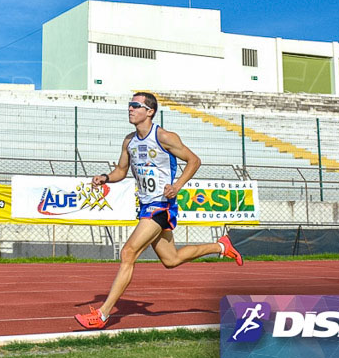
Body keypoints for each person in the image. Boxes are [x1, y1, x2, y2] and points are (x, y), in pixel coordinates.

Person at [75, 91, 243, 330]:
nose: (130, 109)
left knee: (128, 253)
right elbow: (121, 171)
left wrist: (177, 186)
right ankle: (221, 246)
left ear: (150, 111)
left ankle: (102, 315)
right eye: (130, 105)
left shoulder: (164, 136)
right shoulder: (129, 141)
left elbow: (194, 160)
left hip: (161, 206)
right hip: (145, 205)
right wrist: (105, 177)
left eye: (135, 105)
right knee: (171, 260)